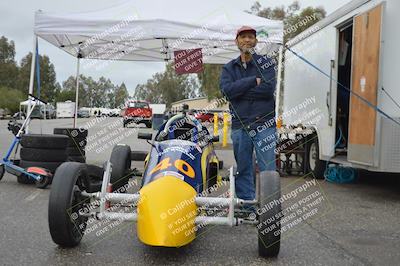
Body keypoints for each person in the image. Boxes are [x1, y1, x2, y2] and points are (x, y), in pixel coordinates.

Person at [220, 26, 277, 201]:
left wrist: (240, 91)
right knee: (244, 167)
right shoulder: (229, 68)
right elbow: (227, 92)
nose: (247, 40)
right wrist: (253, 81)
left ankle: (270, 206)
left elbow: (268, 89)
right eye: (243, 37)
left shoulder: (266, 63)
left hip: (264, 124)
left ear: (256, 41)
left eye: (251, 37)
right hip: (240, 125)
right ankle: (246, 203)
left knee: (268, 168)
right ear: (236, 41)